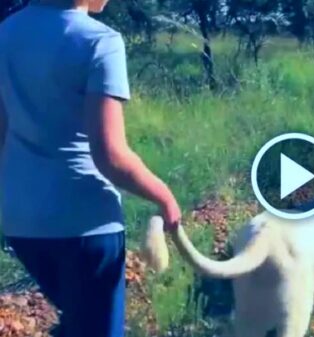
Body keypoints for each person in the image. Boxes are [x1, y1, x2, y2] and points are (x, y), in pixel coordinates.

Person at [0, 1, 182, 337]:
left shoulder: (6, 32)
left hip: (19, 220)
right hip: (83, 224)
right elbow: (110, 155)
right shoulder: (100, 41)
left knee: (77, 320)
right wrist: (165, 197)